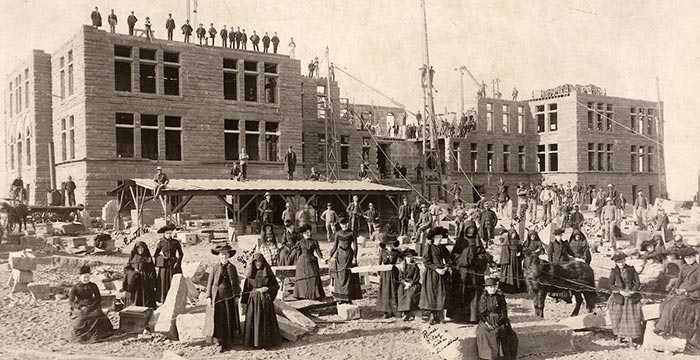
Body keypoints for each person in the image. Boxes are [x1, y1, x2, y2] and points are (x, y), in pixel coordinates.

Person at [656, 247, 700, 353]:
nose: (689, 259)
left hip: (694, 293)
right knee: (667, 302)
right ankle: (662, 326)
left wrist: (686, 290)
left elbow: (699, 284)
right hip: (682, 291)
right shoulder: (684, 267)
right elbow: (679, 279)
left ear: (695, 257)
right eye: (686, 258)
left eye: (691, 257)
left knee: (676, 305)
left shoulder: (698, 268)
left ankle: (666, 328)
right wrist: (675, 288)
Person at [449, 220, 488, 323]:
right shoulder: (461, 240)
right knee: (461, 293)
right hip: (462, 271)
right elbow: (454, 255)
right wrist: (463, 259)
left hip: (474, 272)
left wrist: (478, 260)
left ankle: (473, 317)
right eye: (469, 229)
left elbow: (483, 254)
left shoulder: (477, 240)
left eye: (473, 229)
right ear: (465, 229)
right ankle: (460, 317)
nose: (471, 231)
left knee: (474, 294)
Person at [204, 244, 241, 352]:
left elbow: (236, 284)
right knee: (219, 319)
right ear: (219, 256)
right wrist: (208, 296)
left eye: (226, 254)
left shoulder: (232, 268)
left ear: (229, 255)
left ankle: (228, 342)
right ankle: (220, 342)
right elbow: (210, 283)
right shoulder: (215, 268)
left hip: (229, 297)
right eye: (222, 254)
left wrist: (237, 296)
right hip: (218, 297)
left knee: (229, 319)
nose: (224, 256)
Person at [64, 265, 113, 343]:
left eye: (88, 277)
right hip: (80, 306)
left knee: (99, 314)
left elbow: (98, 298)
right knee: (81, 318)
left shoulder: (93, 286)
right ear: (80, 277)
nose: (86, 279)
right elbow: (71, 302)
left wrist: (93, 306)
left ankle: (99, 334)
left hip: (91, 304)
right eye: (84, 277)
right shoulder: (75, 287)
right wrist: (79, 307)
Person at [241, 253, 281, 349]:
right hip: (253, 301)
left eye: (259, 262)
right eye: (256, 262)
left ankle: (267, 342)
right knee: (253, 321)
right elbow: (246, 289)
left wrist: (267, 288)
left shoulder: (267, 272)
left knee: (265, 320)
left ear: (262, 262)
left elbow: (276, 286)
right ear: (253, 263)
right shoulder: (250, 274)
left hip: (265, 300)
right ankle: (253, 343)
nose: (258, 264)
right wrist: (244, 303)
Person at [476, 278, 519, 360]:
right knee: (482, 333)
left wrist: (497, 324)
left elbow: (504, 314)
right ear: (486, 288)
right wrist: (488, 324)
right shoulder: (483, 298)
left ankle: (505, 356)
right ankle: (488, 357)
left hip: (500, 320)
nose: (492, 289)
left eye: (493, 287)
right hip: (487, 320)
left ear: (496, 287)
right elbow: (482, 314)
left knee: (507, 334)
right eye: (489, 287)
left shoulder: (500, 297)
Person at [608, 253, 643, 346]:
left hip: (631, 294)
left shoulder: (631, 269)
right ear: (616, 263)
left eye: (623, 261)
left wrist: (633, 291)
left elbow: (637, 282)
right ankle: (619, 336)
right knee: (618, 314)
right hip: (620, 295)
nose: (621, 263)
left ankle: (631, 338)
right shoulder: (614, 271)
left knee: (632, 315)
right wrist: (619, 291)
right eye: (619, 262)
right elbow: (611, 284)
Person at [419, 227, 452, 325]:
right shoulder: (429, 247)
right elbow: (426, 262)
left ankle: (440, 316)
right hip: (432, 273)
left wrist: (445, 268)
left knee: (441, 294)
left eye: (441, 237)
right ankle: (432, 316)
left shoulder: (443, 248)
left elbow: (449, 259)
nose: (439, 239)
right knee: (432, 294)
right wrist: (436, 269)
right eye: (437, 237)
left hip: (442, 273)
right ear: (433, 238)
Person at [327, 217, 362, 303]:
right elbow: (335, 246)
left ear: (348, 223)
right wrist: (330, 256)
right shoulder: (338, 234)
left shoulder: (351, 233)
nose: (344, 226)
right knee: (340, 276)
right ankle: (340, 298)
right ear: (340, 225)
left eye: (346, 224)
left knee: (348, 276)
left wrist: (354, 257)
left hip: (349, 256)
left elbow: (355, 246)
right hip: (339, 257)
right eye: (342, 224)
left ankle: (348, 297)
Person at [153, 224, 183, 303]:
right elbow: (155, 255)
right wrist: (163, 258)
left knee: (174, 281)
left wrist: (178, 263)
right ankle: (163, 299)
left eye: (170, 233)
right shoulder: (161, 243)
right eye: (167, 233)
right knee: (163, 282)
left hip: (173, 265)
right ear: (164, 234)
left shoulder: (175, 242)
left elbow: (181, 254)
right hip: (164, 265)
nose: (169, 235)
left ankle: (174, 300)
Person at [293, 225, 325, 300]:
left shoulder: (314, 242)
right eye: (304, 233)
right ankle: (302, 294)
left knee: (313, 276)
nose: (306, 234)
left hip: (312, 261)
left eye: (308, 232)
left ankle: (314, 295)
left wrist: (321, 258)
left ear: (310, 232)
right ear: (303, 234)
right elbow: (297, 254)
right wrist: (296, 262)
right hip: (302, 263)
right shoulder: (300, 242)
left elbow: (318, 251)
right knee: (303, 278)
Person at [122, 241, 157, 308]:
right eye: (138, 249)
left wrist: (151, 281)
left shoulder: (148, 257)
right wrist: (133, 272)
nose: (140, 250)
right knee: (135, 297)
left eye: (142, 248)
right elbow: (126, 269)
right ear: (136, 249)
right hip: (135, 281)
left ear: (145, 249)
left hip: (145, 281)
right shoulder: (132, 257)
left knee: (146, 297)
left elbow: (152, 270)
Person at [376, 236, 400, 318]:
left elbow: (402, 258)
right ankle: (385, 312)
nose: (389, 246)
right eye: (388, 244)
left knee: (393, 290)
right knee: (385, 291)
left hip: (393, 273)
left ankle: (393, 310)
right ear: (385, 245)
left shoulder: (396, 252)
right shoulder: (382, 252)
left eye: (391, 244)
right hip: (385, 274)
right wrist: (378, 273)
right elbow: (379, 262)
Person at [397, 249, 421, 321]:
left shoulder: (415, 266)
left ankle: (412, 313)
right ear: (405, 257)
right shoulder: (402, 266)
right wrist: (405, 283)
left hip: (413, 283)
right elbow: (400, 278)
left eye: (410, 257)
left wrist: (410, 284)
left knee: (411, 293)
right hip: (404, 283)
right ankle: (405, 313)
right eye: (407, 257)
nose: (409, 258)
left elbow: (417, 277)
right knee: (401, 292)